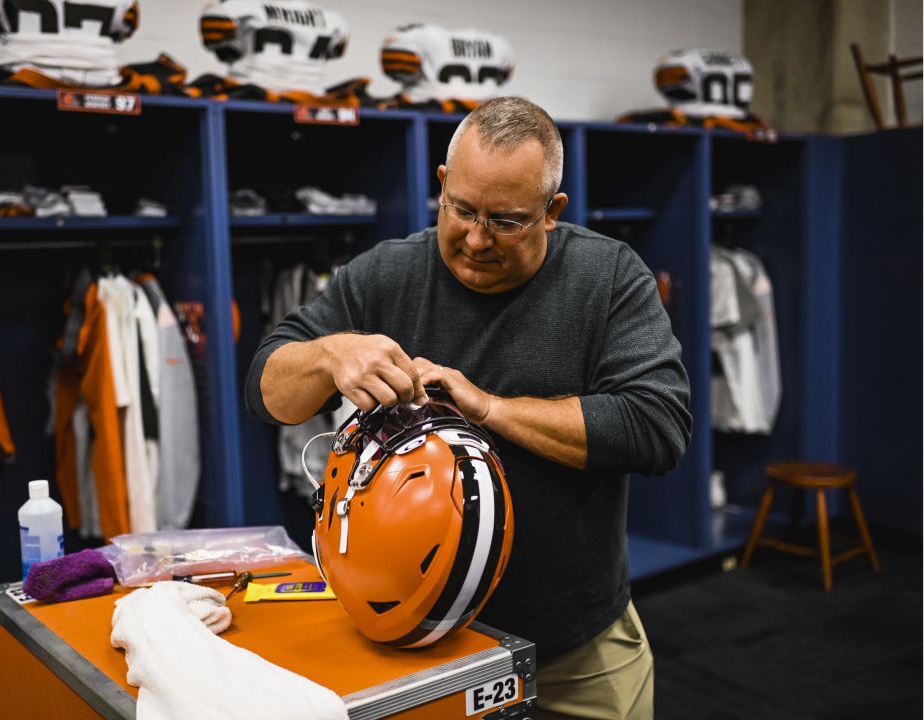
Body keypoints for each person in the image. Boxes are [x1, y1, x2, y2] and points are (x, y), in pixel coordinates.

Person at [245, 96, 691, 719]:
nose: (477, 239)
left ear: (552, 212)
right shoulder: (386, 273)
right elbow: (267, 391)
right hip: (412, 651)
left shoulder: (609, 276)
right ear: (442, 185)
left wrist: (487, 408)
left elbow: (657, 427)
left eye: (507, 220)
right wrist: (330, 355)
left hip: (575, 646)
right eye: (462, 210)